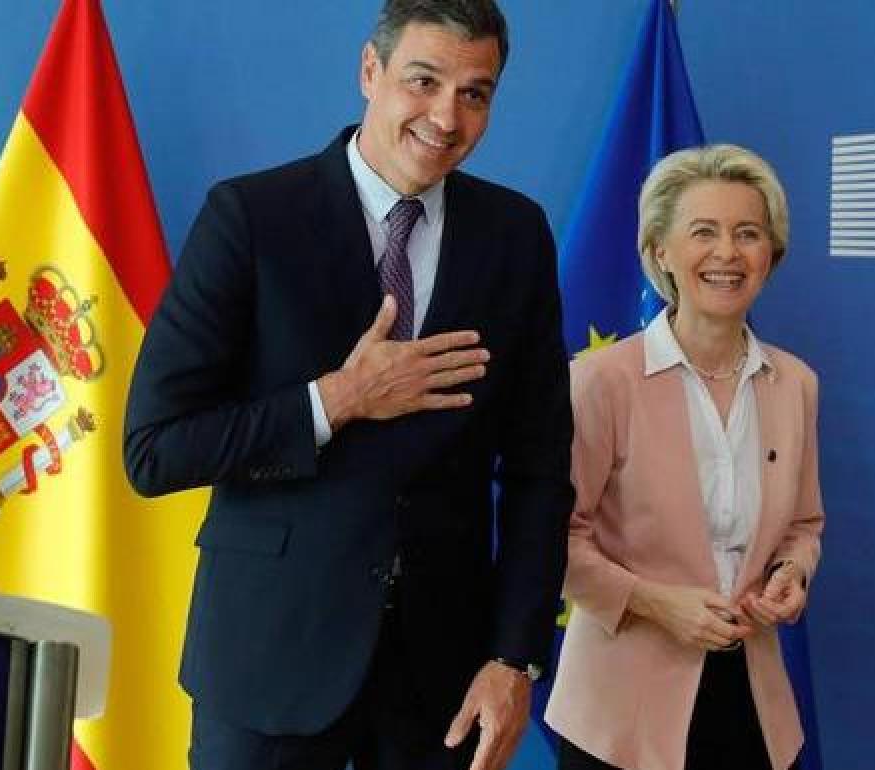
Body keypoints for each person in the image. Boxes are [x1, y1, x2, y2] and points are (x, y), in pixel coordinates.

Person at [123, 2, 574, 769]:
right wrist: (335, 400)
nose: (445, 116)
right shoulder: (251, 217)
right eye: (423, 82)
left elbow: (539, 472)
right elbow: (155, 449)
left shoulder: (515, 234)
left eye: (476, 93)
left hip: (443, 677)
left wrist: (514, 657)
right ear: (371, 71)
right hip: (272, 661)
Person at [543, 144, 824, 770]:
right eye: (704, 232)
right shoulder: (599, 382)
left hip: (754, 705)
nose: (727, 253)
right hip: (619, 714)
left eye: (747, 233)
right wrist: (654, 601)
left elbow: (805, 527)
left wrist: (792, 576)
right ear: (660, 251)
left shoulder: (796, 383)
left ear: (771, 255)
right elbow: (552, 539)